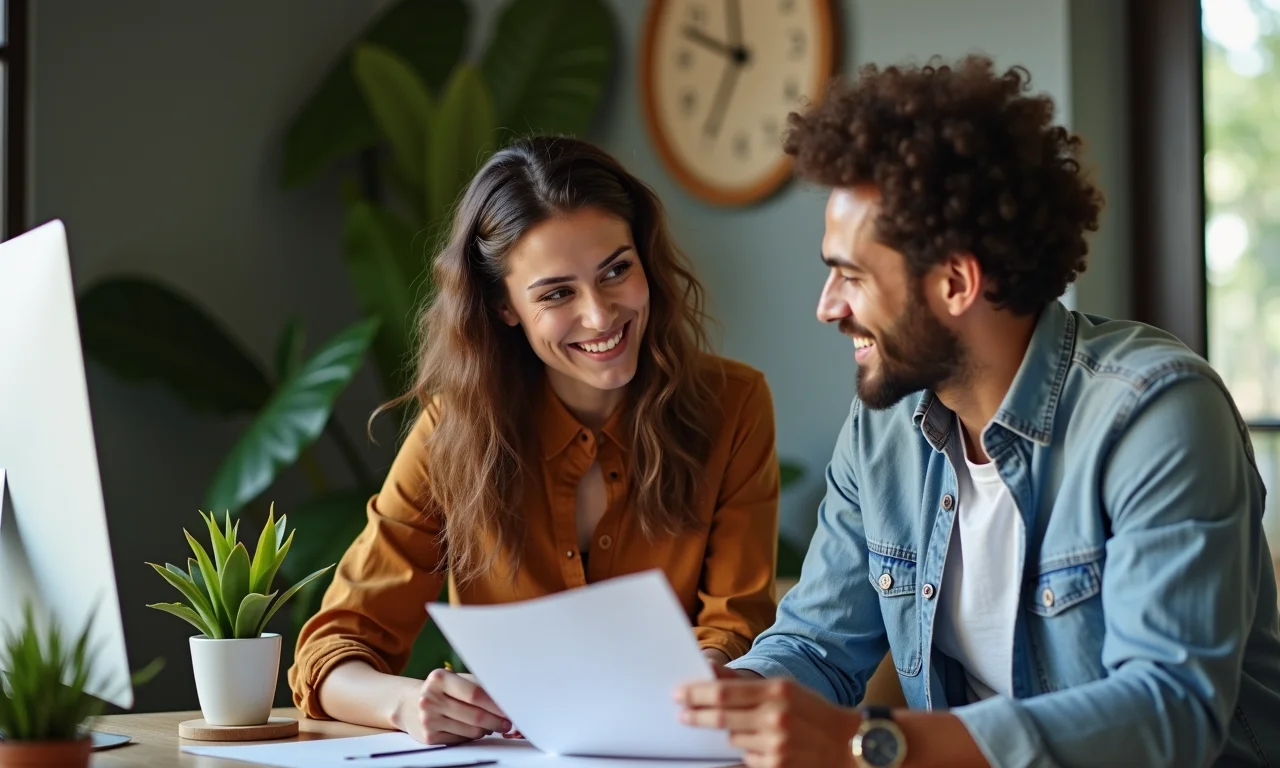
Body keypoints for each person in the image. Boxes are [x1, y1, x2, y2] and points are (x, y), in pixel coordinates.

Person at [675, 55, 1280, 768]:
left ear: (957, 281)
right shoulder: (884, 425)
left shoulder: (1156, 414)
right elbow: (817, 643)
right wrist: (728, 697)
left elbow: (1168, 710)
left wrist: (876, 745)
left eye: (851, 275)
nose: (827, 306)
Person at [288, 136, 782, 745]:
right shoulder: (453, 433)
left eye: (616, 271)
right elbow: (332, 653)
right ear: (504, 306)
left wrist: (696, 686)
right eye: (555, 293)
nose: (600, 316)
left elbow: (736, 629)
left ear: (645, 261)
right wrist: (410, 703)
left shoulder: (734, 406)